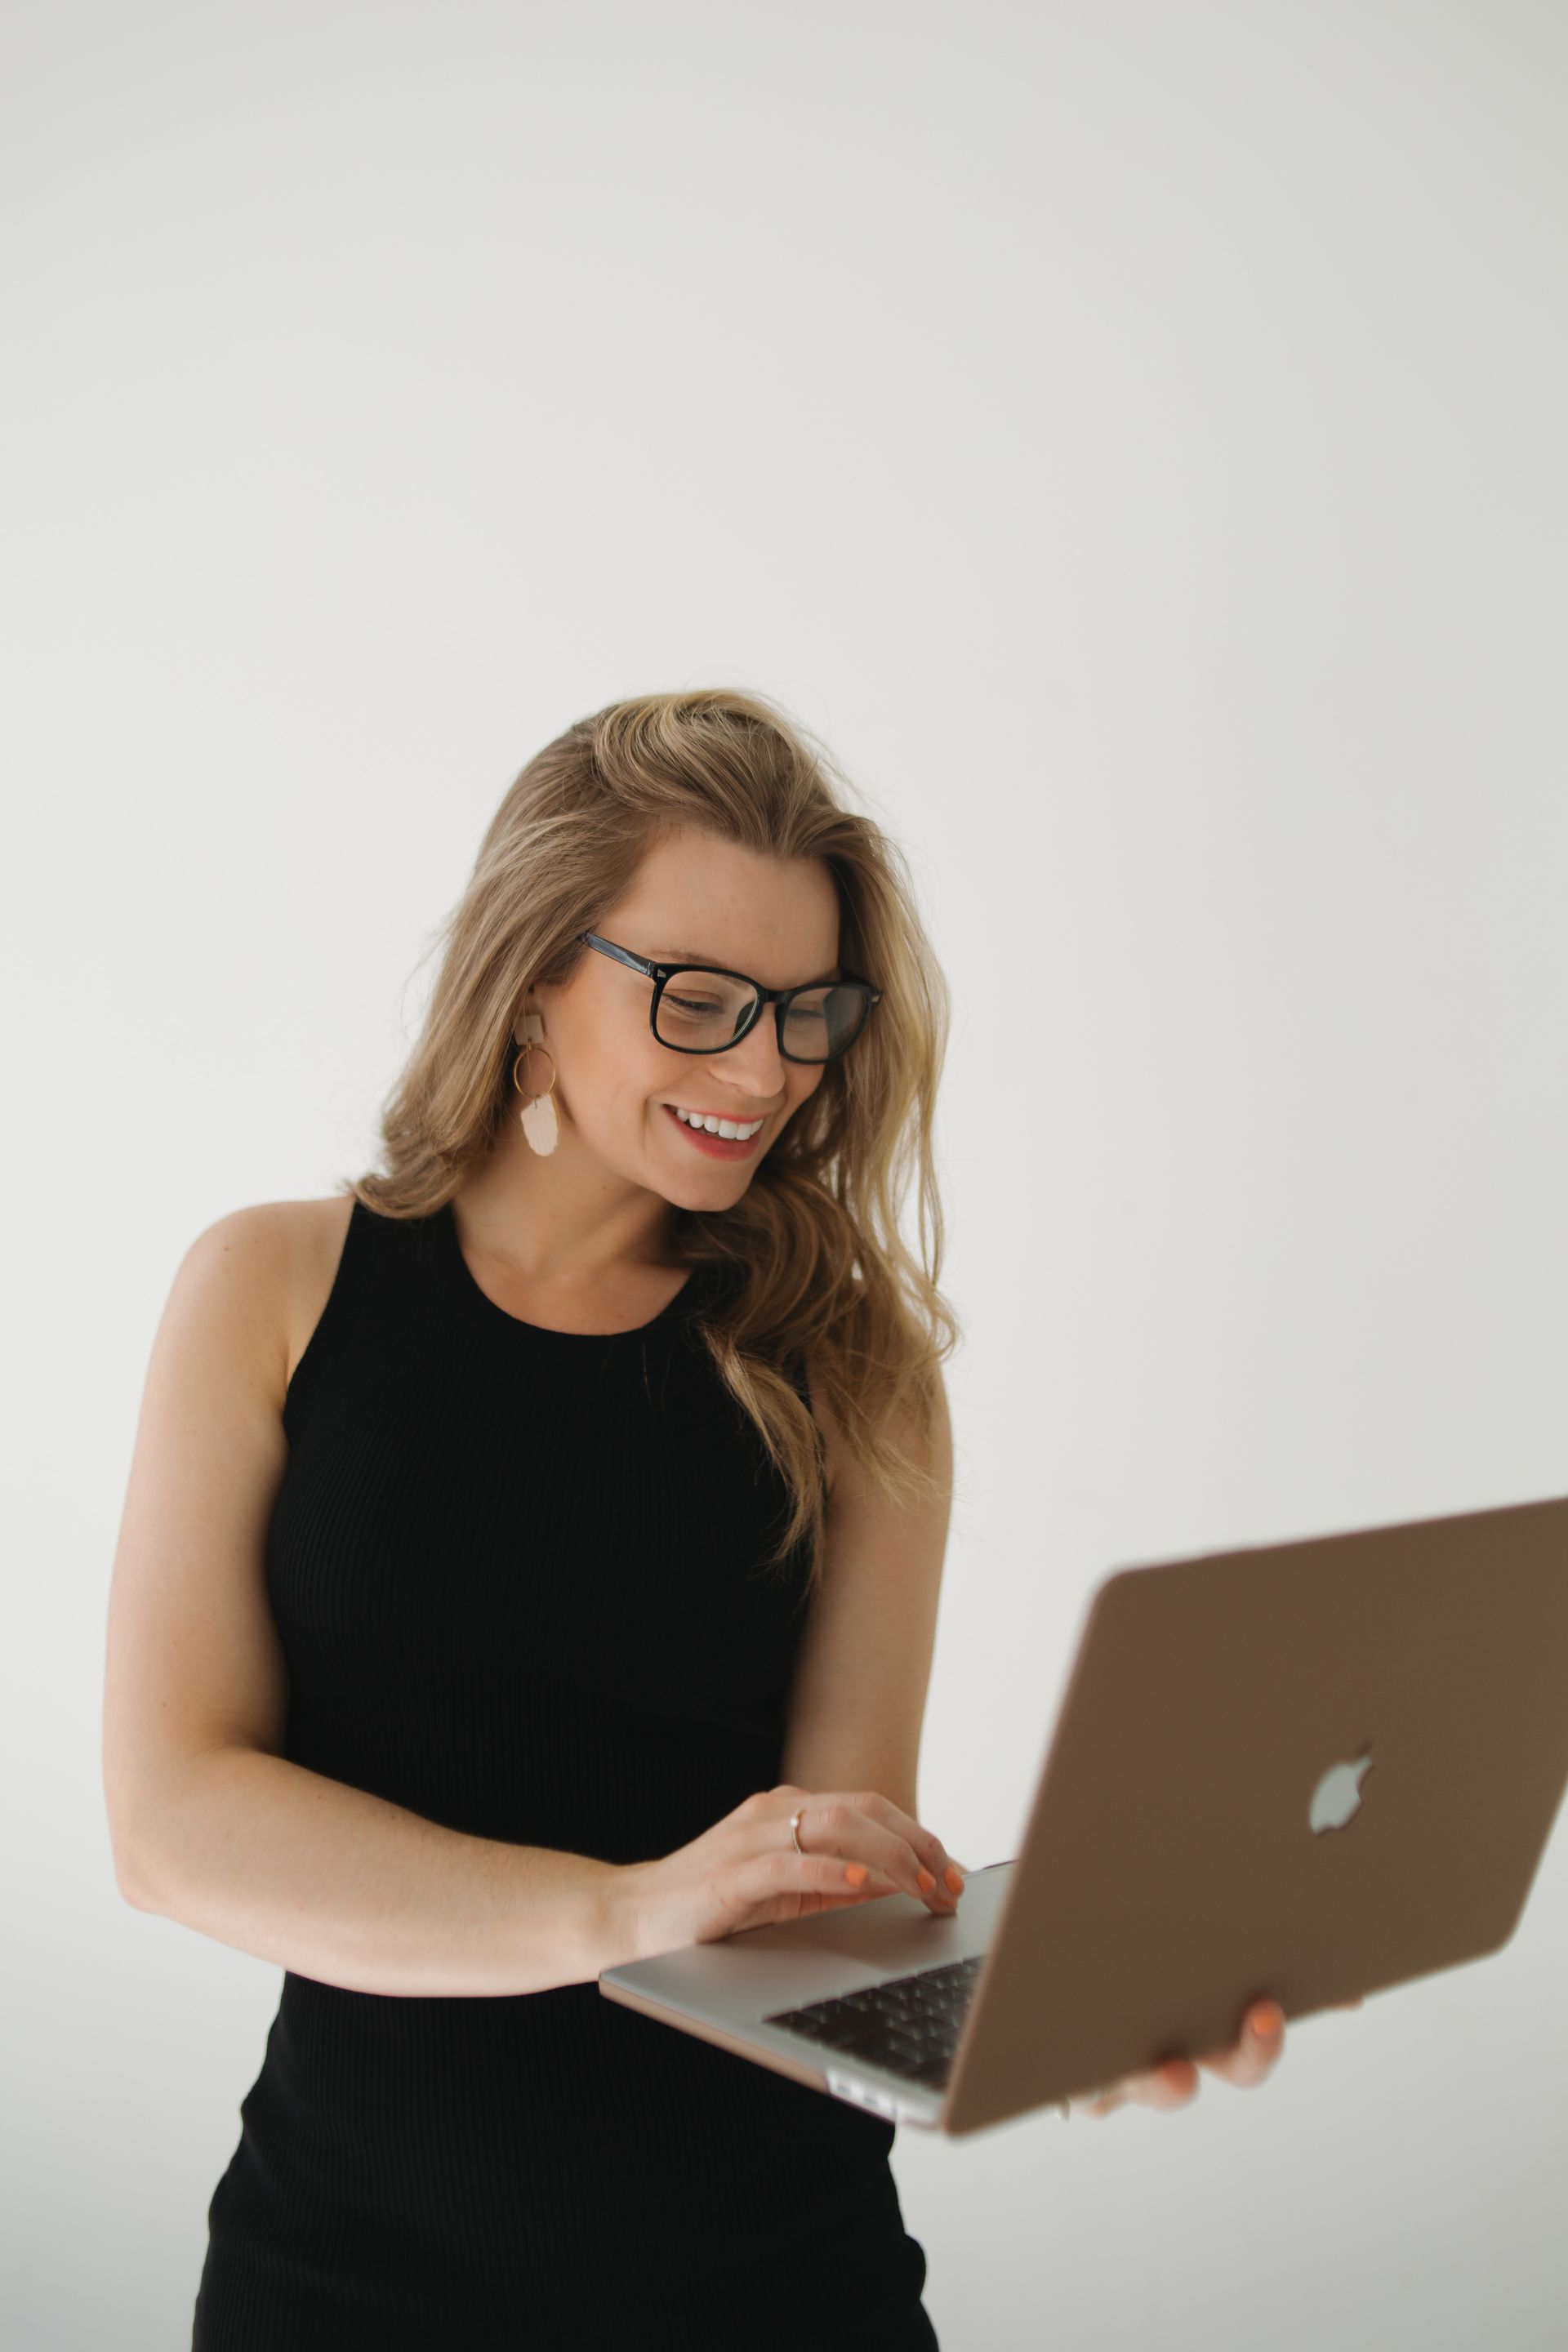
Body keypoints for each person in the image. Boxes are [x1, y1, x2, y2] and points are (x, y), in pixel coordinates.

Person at [103, 688, 1312, 2350]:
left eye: (807, 1011)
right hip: (347, 2272)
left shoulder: (854, 1365)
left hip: (777, 2283)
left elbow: (831, 1887)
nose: (766, 1069)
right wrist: (623, 1909)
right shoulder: (276, 1290)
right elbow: (173, 1822)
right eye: (699, 999)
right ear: (534, 971)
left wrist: (1057, 2014)